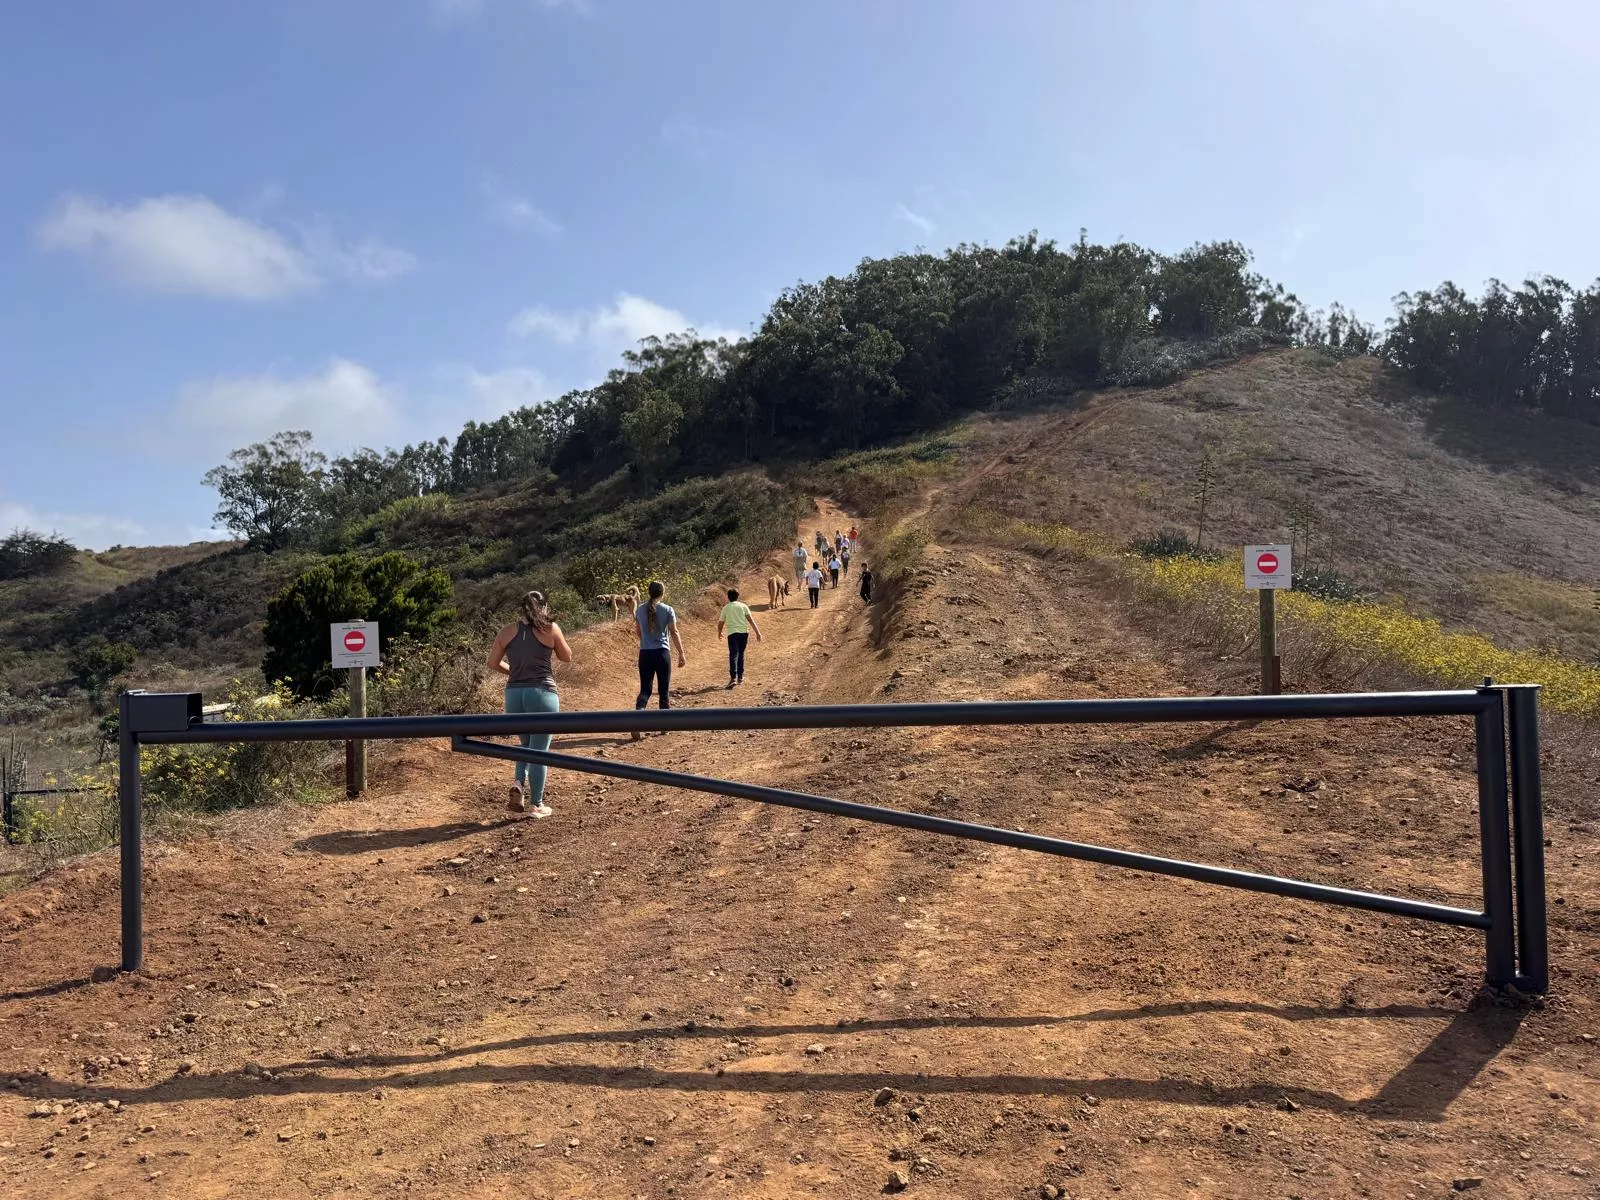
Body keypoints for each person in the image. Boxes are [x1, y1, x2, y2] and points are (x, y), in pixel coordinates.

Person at [487, 590, 573, 817]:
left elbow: (493, 663)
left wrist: (514, 670)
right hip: (542, 693)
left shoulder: (506, 631)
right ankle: (537, 804)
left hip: (514, 695)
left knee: (525, 745)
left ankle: (518, 781)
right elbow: (566, 657)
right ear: (544, 607)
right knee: (539, 752)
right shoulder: (550, 629)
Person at [632, 580, 686, 739]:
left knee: (645, 689)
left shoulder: (640, 610)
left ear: (649, 592)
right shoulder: (668, 610)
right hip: (662, 653)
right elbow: (674, 632)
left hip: (645, 654)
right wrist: (681, 653)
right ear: (662, 593)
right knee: (663, 690)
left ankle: (636, 721)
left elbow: (638, 632)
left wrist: (645, 642)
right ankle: (664, 726)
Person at [716, 587, 763, 689]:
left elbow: (720, 623)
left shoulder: (726, 608)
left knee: (733, 654)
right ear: (738, 596)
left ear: (728, 597)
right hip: (744, 633)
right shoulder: (743, 606)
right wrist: (757, 632)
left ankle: (733, 678)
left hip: (732, 634)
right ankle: (740, 677)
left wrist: (719, 633)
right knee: (740, 654)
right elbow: (751, 620)